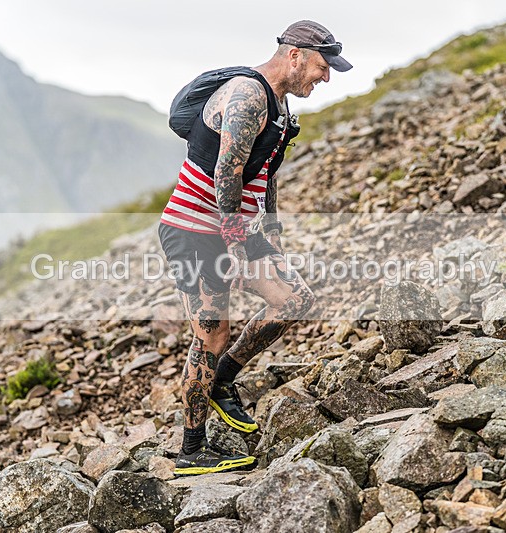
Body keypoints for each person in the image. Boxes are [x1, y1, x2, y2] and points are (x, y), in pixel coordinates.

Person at [158, 20, 352, 476]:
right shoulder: (247, 95)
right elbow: (226, 173)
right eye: (323, 68)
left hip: (237, 229)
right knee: (211, 333)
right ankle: (192, 450)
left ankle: (224, 379)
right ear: (295, 55)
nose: (325, 78)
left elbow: (264, 174)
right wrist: (237, 243)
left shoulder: (281, 105)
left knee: (295, 300)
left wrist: (271, 235)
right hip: (194, 229)